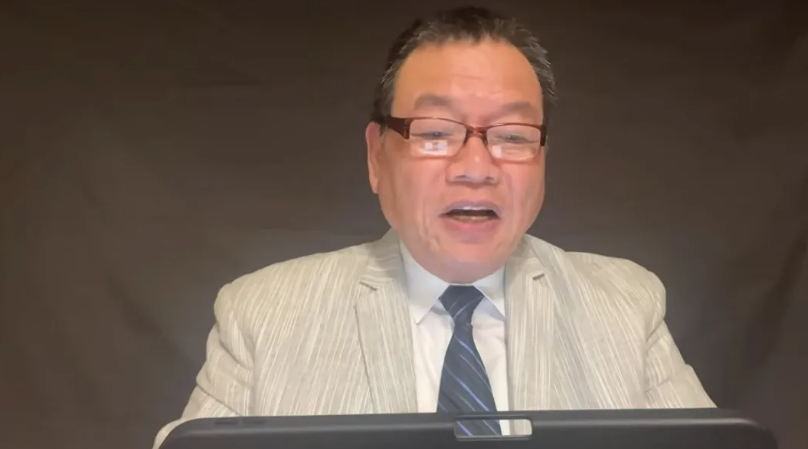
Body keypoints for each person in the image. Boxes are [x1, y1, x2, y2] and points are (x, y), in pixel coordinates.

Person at [152, 5, 714, 448]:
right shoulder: (263, 315)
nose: (476, 167)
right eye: (436, 133)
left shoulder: (625, 305)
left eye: (512, 136)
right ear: (377, 157)